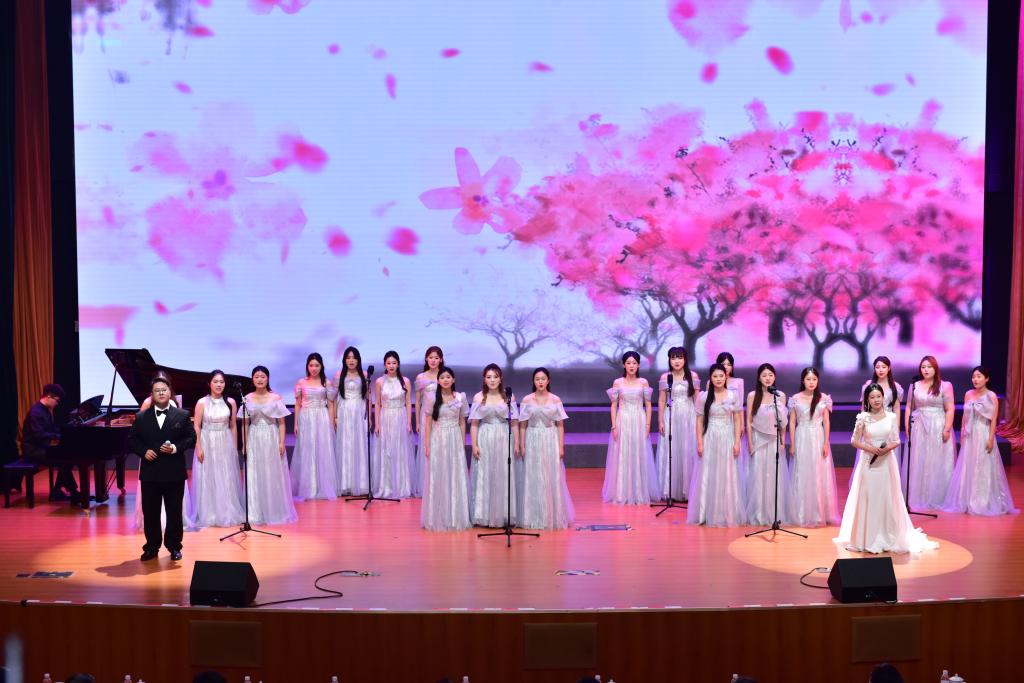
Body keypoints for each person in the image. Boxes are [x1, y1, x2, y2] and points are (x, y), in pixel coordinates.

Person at [834, 384, 937, 554]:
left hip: (886, 462)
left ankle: (887, 536)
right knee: (869, 496)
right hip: (869, 462)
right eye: (872, 397)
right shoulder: (863, 418)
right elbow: (854, 441)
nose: (876, 400)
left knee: (886, 496)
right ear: (867, 400)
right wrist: (870, 448)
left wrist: (886, 448)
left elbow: (896, 440)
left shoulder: (891, 417)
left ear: (883, 398)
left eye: (878, 396)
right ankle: (866, 538)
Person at [128, 376, 196, 561]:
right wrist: (144, 451)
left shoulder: (182, 415)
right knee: (150, 512)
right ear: (152, 394)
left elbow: (191, 439)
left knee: (174, 512)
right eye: (157, 390)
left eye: (163, 390)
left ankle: (174, 546)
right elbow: (132, 440)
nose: (160, 393)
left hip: (174, 472)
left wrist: (175, 448)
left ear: (170, 392)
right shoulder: (141, 417)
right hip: (150, 473)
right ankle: (152, 547)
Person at [943, 366, 1017, 515]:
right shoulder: (968, 394)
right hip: (970, 434)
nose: (975, 379)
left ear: (986, 378)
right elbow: (965, 416)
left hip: (983, 433)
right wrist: (963, 431)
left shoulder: (991, 396)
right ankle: (966, 499)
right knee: (968, 465)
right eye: (973, 377)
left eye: (979, 376)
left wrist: (991, 439)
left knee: (982, 465)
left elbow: (993, 419)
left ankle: (982, 500)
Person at [688, 363, 745, 526]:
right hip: (710, 436)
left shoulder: (733, 395)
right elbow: (699, 421)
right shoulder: (704, 397)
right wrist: (699, 442)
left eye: (721, 376)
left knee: (727, 472)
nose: (719, 379)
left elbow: (737, 419)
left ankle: (726, 512)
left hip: (727, 436)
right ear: (710, 378)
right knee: (708, 471)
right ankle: (706, 512)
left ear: (726, 377)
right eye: (715, 376)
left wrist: (737, 442)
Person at [517, 368, 575, 529]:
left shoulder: (555, 399)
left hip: (550, 439)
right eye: (537, 379)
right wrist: (522, 445)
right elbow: (522, 425)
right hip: (532, 438)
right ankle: (533, 516)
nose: (540, 382)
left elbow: (560, 425)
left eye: (543, 379)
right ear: (533, 381)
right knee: (533, 475)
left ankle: (551, 515)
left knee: (550, 475)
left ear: (548, 380)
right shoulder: (527, 399)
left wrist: (561, 447)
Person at [602, 351, 659, 505]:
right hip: (623, 420)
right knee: (622, 453)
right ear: (624, 365)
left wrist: (648, 425)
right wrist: (614, 426)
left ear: (639, 365)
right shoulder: (617, 382)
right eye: (628, 363)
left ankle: (639, 491)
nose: (631, 366)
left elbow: (648, 405)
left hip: (639, 419)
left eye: (634, 363)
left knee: (639, 453)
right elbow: (613, 405)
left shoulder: (643, 382)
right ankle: (622, 492)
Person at [243, 365, 297, 525]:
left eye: (263, 377)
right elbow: (245, 423)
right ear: (252, 379)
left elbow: (281, 423)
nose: (260, 379)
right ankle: (256, 511)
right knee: (255, 472)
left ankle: (274, 509)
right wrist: (245, 444)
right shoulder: (247, 398)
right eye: (256, 377)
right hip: (254, 436)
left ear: (268, 379)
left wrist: (281, 442)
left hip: (271, 435)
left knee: (271, 472)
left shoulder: (275, 398)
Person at [786, 367, 840, 527]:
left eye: (814, 379)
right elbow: (792, 422)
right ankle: (802, 512)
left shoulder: (824, 398)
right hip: (802, 437)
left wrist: (826, 442)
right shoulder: (795, 398)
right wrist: (792, 444)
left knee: (819, 473)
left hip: (818, 437)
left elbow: (826, 421)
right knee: (802, 472)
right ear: (803, 381)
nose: (811, 382)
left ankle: (820, 512)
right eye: (808, 379)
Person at [191, 370, 245, 527]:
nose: (219, 384)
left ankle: (226, 510)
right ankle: (210, 512)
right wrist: (198, 447)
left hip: (225, 440)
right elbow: (197, 426)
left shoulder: (231, 402)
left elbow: (233, 426)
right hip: (207, 440)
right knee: (209, 475)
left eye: (221, 382)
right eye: (215, 381)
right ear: (209, 384)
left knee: (225, 476)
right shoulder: (202, 402)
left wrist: (234, 448)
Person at [468, 364, 520, 527]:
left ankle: (504, 514)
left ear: (500, 378)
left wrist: (517, 443)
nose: (492, 380)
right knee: (485, 473)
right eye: (489, 377)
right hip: (485, 436)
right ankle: (484, 514)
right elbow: (474, 424)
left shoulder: (508, 396)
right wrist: (474, 445)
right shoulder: (478, 397)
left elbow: (515, 422)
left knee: (503, 473)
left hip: (504, 436)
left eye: (495, 377)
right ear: (484, 379)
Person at [421, 366, 470, 531]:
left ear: (453, 379)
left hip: (454, 438)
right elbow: (428, 424)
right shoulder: (431, 397)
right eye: (442, 377)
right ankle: (438, 516)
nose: (445, 380)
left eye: (448, 377)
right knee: (438, 474)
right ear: (438, 381)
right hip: (438, 438)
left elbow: (462, 422)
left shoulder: (460, 397)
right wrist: (427, 445)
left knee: (455, 474)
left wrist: (462, 443)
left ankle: (455, 516)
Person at [904, 356, 955, 510]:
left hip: (938, 424)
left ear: (935, 368)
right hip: (919, 425)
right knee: (919, 458)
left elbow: (950, 408)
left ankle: (938, 496)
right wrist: (907, 425)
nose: (925, 370)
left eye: (929, 367)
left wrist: (947, 428)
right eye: (923, 367)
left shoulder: (945, 385)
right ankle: (918, 495)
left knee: (936, 459)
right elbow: (909, 406)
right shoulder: (914, 386)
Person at [746, 363, 789, 526]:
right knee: (758, 476)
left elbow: (782, 421)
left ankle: (773, 514)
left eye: (770, 375)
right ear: (759, 378)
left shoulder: (780, 395)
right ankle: (759, 513)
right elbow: (748, 421)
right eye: (764, 375)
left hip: (774, 441)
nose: (767, 378)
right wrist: (750, 443)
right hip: (758, 440)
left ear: (775, 376)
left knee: (774, 477)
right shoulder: (752, 396)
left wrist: (783, 440)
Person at [20, 383, 79, 501]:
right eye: (57, 400)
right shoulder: (36, 412)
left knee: (68, 458)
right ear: (49, 396)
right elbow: (39, 435)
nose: (57, 403)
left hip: (42, 447)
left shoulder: (45, 410)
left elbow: (50, 429)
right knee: (65, 459)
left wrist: (65, 433)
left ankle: (60, 491)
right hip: (33, 450)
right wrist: (59, 436)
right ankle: (69, 492)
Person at [292, 352, 338, 500]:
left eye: (317, 365)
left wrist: (331, 422)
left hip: (322, 417)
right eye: (311, 365)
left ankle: (322, 486)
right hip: (306, 418)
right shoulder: (301, 382)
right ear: (307, 366)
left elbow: (331, 405)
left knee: (322, 450)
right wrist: (296, 423)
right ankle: (308, 487)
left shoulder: (327, 383)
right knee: (307, 450)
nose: (314, 368)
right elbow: (297, 404)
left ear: (321, 366)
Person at [656, 346, 699, 502]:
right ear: (669, 360)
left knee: (688, 449)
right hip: (671, 415)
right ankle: (670, 491)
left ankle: (688, 490)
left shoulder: (692, 376)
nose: (676, 361)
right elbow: (662, 400)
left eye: (680, 357)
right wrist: (660, 420)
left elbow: (697, 400)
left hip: (689, 415)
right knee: (671, 450)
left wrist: (700, 420)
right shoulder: (665, 377)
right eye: (673, 358)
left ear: (685, 359)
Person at [374, 350, 416, 498]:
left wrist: (409, 422)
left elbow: (408, 402)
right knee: (387, 451)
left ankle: (402, 486)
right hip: (385, 417)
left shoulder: (405, 381)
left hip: (400, 416)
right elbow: (377, 403)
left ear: (398, 364)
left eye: (394, 363)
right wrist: (377, 424)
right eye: (388, 363)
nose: (391, 365)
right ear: (385, 364)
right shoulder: (379, 381)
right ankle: (387, 486)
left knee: (400, 450)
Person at [333, 347, 370, 496]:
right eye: (348, 357)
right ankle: (345, 483)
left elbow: (368, 397)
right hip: (344, 412)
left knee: (359, 444)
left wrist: (369, 417)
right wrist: (334, 417)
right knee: (346, 445)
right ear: (344, 360)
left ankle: (361, 483)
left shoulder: (365, 375)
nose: (351, 360)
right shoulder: (339, 375)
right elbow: (333, 398)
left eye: (354, 357)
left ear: (358, 360)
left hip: (359, 412)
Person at [414, 346, 445, 497]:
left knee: (440, 448)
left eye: (436, 358)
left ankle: (440, 484)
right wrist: (417, 422)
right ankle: (426, 485)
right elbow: (417, 401)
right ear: (426, 359)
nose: (433, 360)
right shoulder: (420, 377)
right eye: (431, 357)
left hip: (442, 417)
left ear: (441, 360)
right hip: (425, 417)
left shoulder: (445, 375)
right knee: (427, 449)